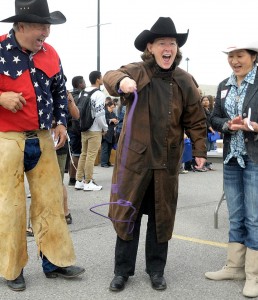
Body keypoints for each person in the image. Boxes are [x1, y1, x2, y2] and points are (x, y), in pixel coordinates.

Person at [103, 17, 207, 292]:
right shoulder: (136, 71)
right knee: (128, 215)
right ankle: (121, 271)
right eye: (162, 42)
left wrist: (199, 150)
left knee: (161, 218)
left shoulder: (184, 80)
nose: (168, 47)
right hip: (135, 162)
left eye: (172, 43)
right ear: (150, 47)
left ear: (176, 49)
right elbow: (110, 76)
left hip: (166, 162)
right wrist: (123, 81)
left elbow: (196, 120)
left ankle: (157, 270)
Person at [0, 0, 85, 291]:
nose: (46, 32)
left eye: (48, 25)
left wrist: (61, 122)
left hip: (43, 137)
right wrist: (0, 98)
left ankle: (55, 262)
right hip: (6, 138)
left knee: (50, 203)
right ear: (21, 26)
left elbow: (60, 90)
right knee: (10, 207)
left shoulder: (51, 54)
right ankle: (11, 270)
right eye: (40, 25)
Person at [205, 42, 258, 298]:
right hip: (231, 159)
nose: (235, 60)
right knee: (236, 214)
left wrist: (255, 127)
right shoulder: (224, 85)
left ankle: (253, 276)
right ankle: (234, 266)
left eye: (240, 56)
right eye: (231, 56)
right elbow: (213, 117)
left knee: (254, 218)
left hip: (254, 158)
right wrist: (228, 124)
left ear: (253, 57)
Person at [75, 71, 108, 191]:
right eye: (101, 77)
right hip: (95, 129)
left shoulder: (82, 93)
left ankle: (79, 180)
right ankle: (88, 181)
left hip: (84, 127)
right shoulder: (99, 94)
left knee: (84, 154)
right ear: (98, 79)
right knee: (91, 156)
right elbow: (99, 113)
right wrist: (105, 128)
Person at [68, 75, 86, 186]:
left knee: (74, 153)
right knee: (78, 154)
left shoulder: (70, 95)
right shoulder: (81, 96)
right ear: (80, 84)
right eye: (84, 82)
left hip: (70, 127)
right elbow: (80, 114)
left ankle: (72, 178)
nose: (85, 84)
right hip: (78, 128)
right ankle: (77, 178)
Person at [101, 100, 118, 167]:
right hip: (105, 133)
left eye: (113, 107)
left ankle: (107, 161)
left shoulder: (113, 113)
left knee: (109, 149)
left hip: (111, 133)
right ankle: (103, 163)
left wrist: (116, 121)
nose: (112, 109)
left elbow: (116, 119)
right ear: (108, 106)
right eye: (111, 107)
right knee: (105, 149)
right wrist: (111, 120)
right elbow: (103, 120)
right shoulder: (104, 112)